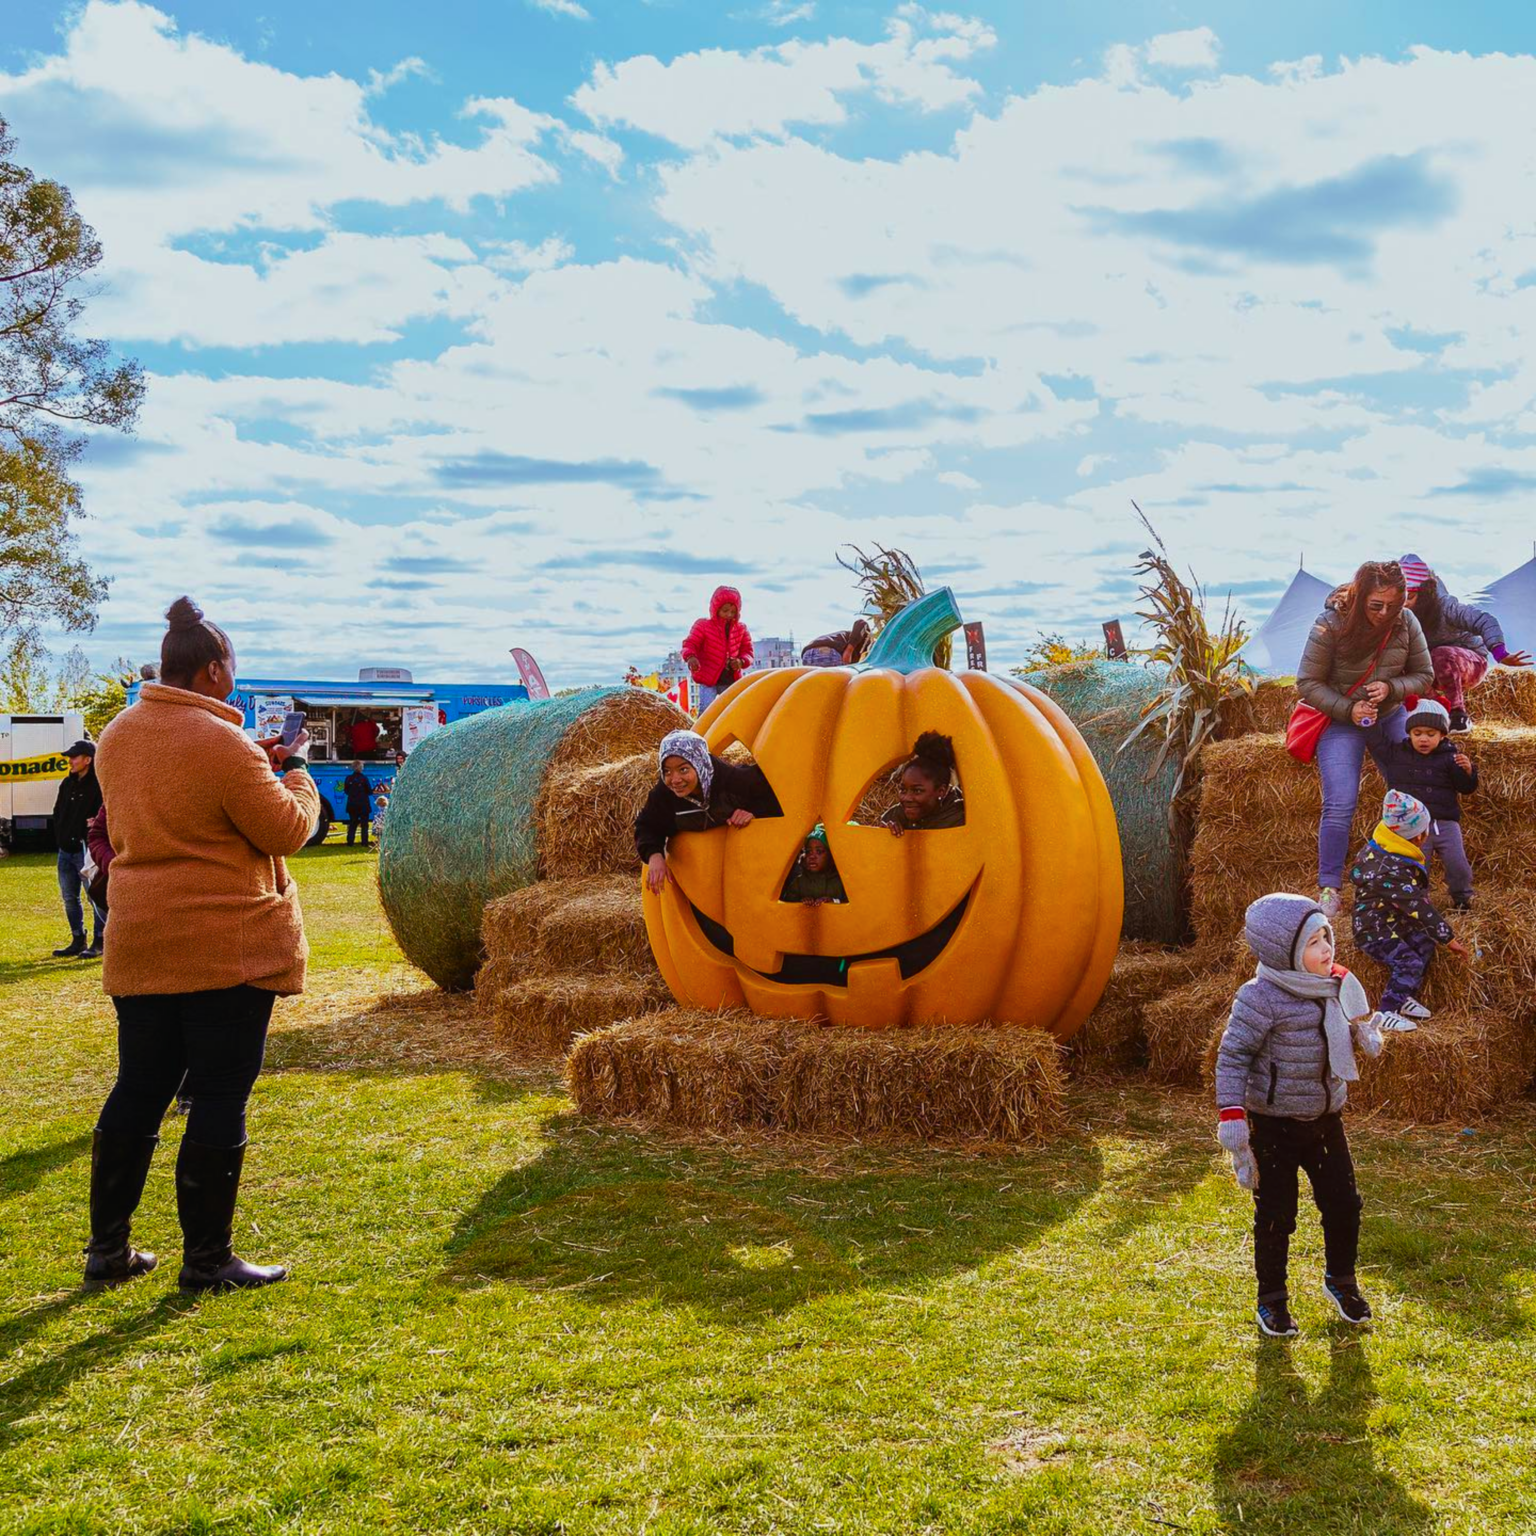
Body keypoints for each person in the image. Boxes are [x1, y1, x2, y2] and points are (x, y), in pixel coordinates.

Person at [83, 595, 319, 1292]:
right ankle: (208, 1260)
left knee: (139, 1087)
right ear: (215, 670)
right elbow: (283, 830)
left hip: (141, 938)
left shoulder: (120, 733)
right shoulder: (222, 743)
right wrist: (296, 777)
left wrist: (254, 764)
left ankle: (107, 1250)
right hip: (223, 945)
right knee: (219, 1094)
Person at [1214, 893, 1385, 1338]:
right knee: (1276, 1214)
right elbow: (1232, 1057)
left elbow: (1338, 1023)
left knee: (1344, 1204)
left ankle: (1340, 1281)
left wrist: (1358, 1030)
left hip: (1326, 1119)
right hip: (1275, 1125)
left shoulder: (1333, 985)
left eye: (1326, 937)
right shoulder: (1259, 998)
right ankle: (1271, 1300)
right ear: (1285, 951)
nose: (1327, 948)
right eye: (1314, 942)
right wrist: (1232, 1117)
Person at [1296, 560, 1434, 920]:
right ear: (1360, 599)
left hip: (1389, 713)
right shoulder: (1329, 624)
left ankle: (1413, 877)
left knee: (1412, 791)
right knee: (1341, 802)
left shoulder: (1406, 623)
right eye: (1376, 606)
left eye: (1394, 605)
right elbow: (1308, 683)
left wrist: (1392, 688)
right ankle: (1329, 887)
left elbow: (1424, 674)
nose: (1385, 613)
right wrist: (1348, 709)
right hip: (1342, 719)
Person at [1348, 790, 1468, 1029]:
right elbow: (1417, 907)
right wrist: (1448, 938)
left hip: (1391, 921)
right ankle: (1386, 1012)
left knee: (1424, 942)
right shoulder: (1390, 871)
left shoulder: (1387, 850)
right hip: (1374, 931)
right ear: (1416, 837)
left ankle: (1404, 996)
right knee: (1408, 961)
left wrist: (1434, 937)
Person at [1397, 552, 1532, 732]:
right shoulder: (1397, 614)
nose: (1404, 603)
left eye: (1410, 596)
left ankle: (1458, 715)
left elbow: (1485, 620)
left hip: (1468, 663)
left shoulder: (1447, 607)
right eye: (1400, 597)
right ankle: (1436, 709)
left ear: (1425, 593)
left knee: (1440, 655)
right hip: (1429, 667)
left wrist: (1500, 652)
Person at [636, 728, 782, 892]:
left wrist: (754, 812)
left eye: (683, 769)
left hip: (747, 872)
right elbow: (647, 825)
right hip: (698, 880)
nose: (675, 779)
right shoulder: (664, 796)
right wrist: (654, 855)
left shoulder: (734, 781)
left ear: (699, 764)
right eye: (667, 771)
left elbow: (777, 797)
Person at [1379, 699, 1479, 909]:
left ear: (1443, 734)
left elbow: (1466, 788)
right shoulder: (1398, 754)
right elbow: (1376, 740)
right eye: (1417, 733)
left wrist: (1469, 771)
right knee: (1418, 865)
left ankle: (1462, 898)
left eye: (1430, 734)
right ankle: (1418, 901)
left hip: (1444, 823)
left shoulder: (1451, 757)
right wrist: (1367, 718)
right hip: (1413, 827)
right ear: (1409, 733)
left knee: (1457, 864)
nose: (1423, 739)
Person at [51, 738, 105, 960]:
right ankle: (77, 938)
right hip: (66, 850)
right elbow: (57, 812)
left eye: (74, 757)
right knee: (69, 897)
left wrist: (96, 825)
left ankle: (99, 941)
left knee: (94, 896)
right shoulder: (67, 783)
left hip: (87, 851)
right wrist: (61, 834)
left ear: (88, 760)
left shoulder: (99, 785)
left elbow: (107, 814)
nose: (70, 761)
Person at [681, 586, 754, 711]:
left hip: (730, 680)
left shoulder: (741, 629)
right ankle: (702, 731)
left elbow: (748, 652)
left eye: (733, 612)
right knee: (706, 709)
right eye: (725, 611)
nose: (729, 615)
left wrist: (741, 662)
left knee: (732, 710)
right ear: (716, 609)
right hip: (708, 679)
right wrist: (691, 657)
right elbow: (690, 643)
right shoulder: (703, 626)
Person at [880, 732, 966, 835]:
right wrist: (885, 835)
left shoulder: (958, 819)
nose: (906, 798)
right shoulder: (897, 816)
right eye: (903, 790)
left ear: (941, 791)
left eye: (917, 791)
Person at [780, 825, 847, 904]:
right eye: (808, 851)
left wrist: (834, 901)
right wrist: (801, 903)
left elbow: (853, 904)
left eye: (819, 851)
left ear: (832, 855)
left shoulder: (842, 881)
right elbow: (786, 904)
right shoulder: (799, 882)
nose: (812, 856)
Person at [801, 618, 872, 668]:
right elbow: (861, 623)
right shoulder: (869, 642)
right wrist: (849, 651)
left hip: (806, 655)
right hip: (827, 654)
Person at [343, 760, 373, 846]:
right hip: (363, 804)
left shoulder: (348, 778)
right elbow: (369, 791)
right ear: (361, 768)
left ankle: (350, 841)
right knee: (364, 824)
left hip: (352, 803)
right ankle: (364, 842)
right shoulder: (364, 778)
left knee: (352, 823)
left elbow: (346, 790)